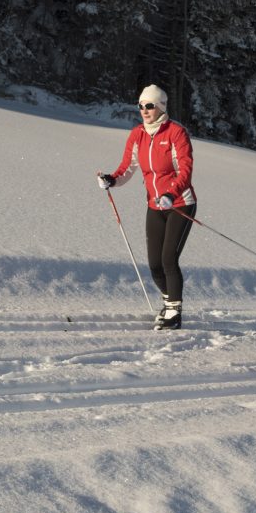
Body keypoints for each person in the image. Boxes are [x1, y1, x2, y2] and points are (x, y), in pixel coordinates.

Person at [99, 84, 196, 329]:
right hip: (154, 205)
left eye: (149, 105)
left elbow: (184, 169)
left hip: (180, 204)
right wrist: (111, 179)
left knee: (168, 259)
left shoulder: (176, 133)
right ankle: (169, 302)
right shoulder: (137, 135)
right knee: (154, 265)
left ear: (161, 106)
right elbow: (127, 167)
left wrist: (171, 193)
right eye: (141, 105)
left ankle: (175, 312)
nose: (144, 110)